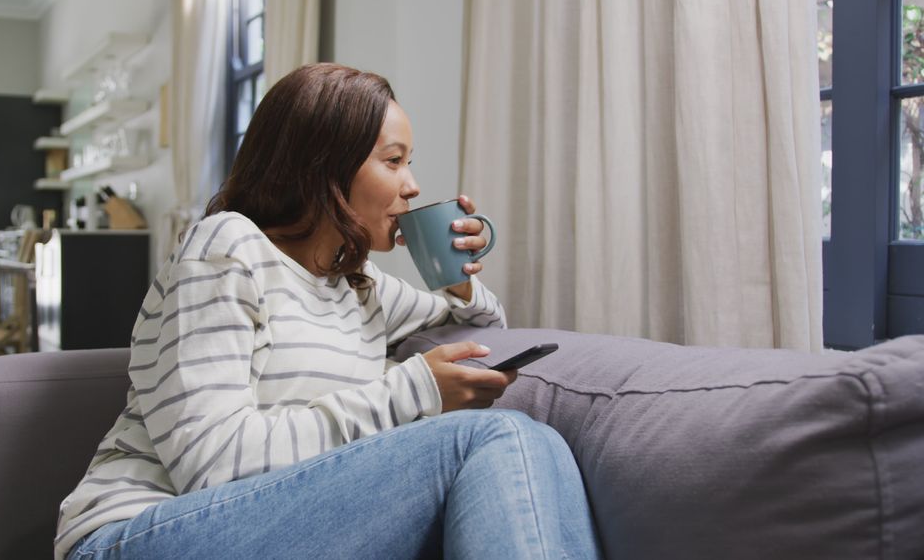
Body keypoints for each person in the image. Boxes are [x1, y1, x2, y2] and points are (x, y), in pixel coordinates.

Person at [55, 63, 600, 560]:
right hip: (136, 534)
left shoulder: (359, 287)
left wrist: (455, 275)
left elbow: (487, 327)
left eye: (410, 164)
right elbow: (213, 466)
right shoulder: (226, 248)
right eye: (393, 162)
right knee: (496, 437)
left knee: (539, 440)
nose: (412, 186)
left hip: (267, 528)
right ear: (324, 166)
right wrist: (411, 392)